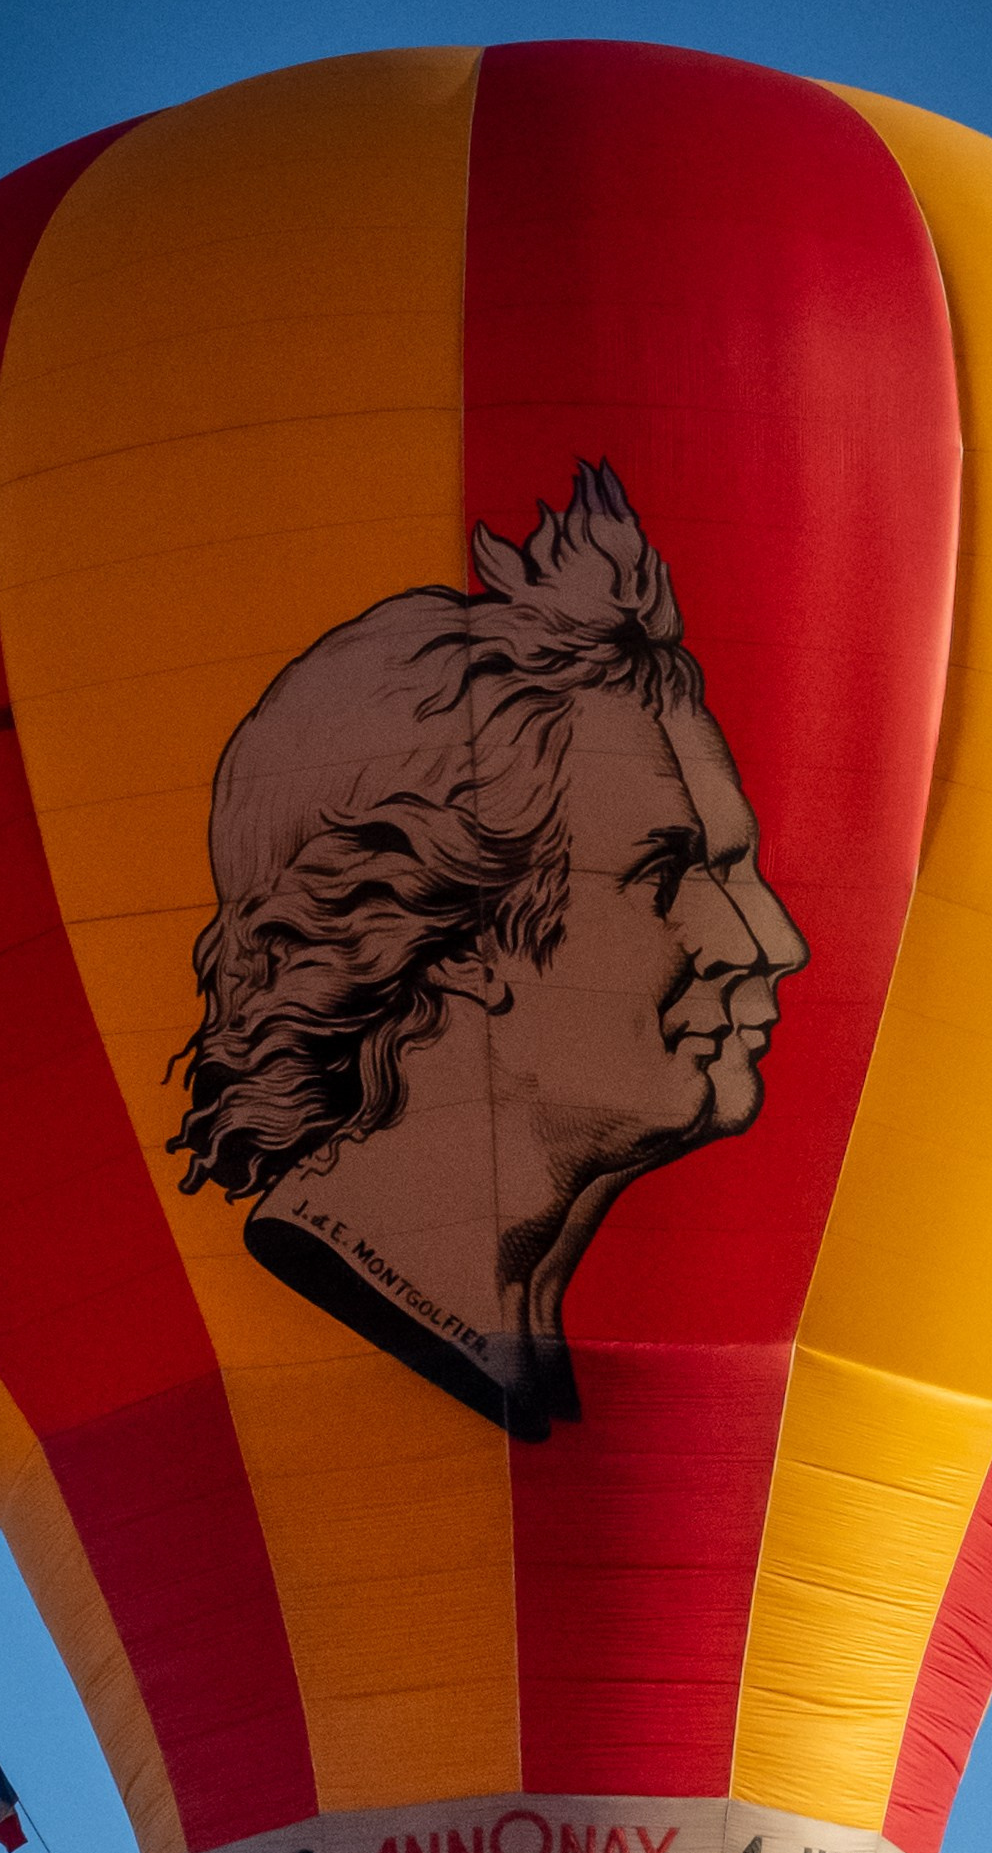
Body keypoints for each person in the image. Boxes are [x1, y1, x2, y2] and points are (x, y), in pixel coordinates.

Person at [167, 465, 807, 1439]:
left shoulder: (521, 1345)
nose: (774, 944)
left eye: (738, 869)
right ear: (458, 929)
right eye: (669, 875)